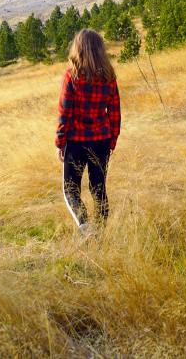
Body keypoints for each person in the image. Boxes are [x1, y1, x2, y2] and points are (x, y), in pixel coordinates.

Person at [55, 29, 121, 235]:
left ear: (78, 48)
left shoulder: (71, 76)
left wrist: (59, 143)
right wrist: (112, 141)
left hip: (75, 143)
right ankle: (101, 230)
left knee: (70, 189)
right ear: (100, 49)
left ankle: (85, 227)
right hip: (101, 141)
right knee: (98, 187)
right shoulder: (109, 76)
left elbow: (65, 113)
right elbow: (115, 113)